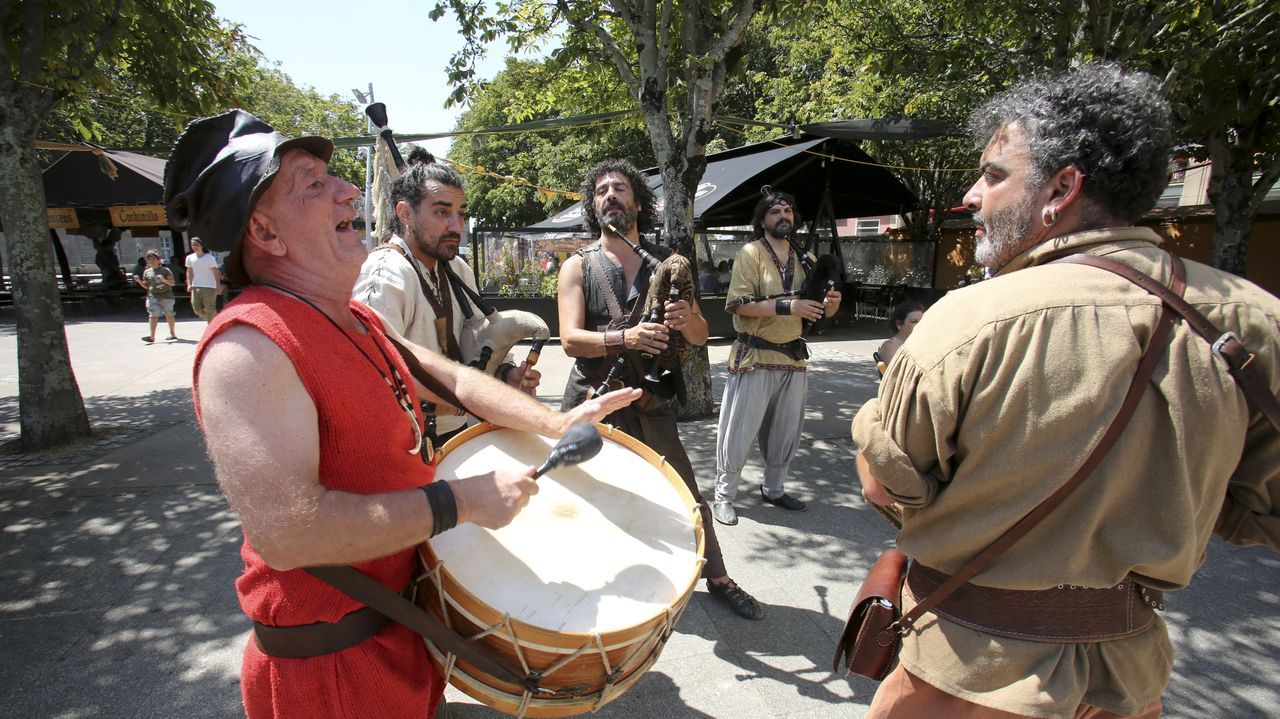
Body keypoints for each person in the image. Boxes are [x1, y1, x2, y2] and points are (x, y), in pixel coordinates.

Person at [163, 109, 639, 719]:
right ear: (265, 231)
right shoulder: (248, 349)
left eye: (334, 177)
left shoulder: (352, 318)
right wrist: (462, 502)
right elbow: (289, 535)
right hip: (330, 673)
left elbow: (454, 378)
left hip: (397, 628)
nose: (347, 190)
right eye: (313, 184)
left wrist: (555, 423)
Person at [851, 63, 1279, 719]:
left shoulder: (968, 321)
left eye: (994, 174)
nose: (971, 193)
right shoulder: (1253, 320)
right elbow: (1260, 511)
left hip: (964, 680)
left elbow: (887, 486)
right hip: (1127, 683)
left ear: (1062, 188)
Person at [557, 158, 764, 621]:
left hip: (649, 401)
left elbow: (699, 334)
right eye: (602, 190)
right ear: (594, 206)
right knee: (583, 494)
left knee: (685, 493)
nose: (610, 194)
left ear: (637, 200)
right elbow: (570, 339)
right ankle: (590, 585)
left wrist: (688, 320)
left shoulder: (665, 265)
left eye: (620, 188)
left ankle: (719, 577)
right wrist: (625, 338)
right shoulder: (577, 266)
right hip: (593, 401)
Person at [354, 147, 539, 448]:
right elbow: (372, 380)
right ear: (405, 214)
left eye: (460, 213)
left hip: (456, 436)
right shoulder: (385, 273)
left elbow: (477, 344)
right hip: (402, 445)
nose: (456, 226)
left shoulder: (456, 268)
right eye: (441, 212)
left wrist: (507, 375)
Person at [710, 189, 841, 525]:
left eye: (788, 210)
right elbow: (738, 304)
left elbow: (817, 312)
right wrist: (788, 305)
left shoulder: (807, 258)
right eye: (775, 212)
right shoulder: (751, 253)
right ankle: (724, 495)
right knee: (739, 430)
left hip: (793, 358)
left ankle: (774, 488)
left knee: (786, 432)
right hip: (754, 354)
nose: (783, 216)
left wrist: (830, 305)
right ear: (762, 219)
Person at [135, 249, 177, 342]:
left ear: (159, 260)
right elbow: (146, 286)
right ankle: (152, 336)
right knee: (153, 315)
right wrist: (139, 281)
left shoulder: (165, 270)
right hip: (152, 296)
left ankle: (172, 333)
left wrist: (164, 280)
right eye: (149, 259)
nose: (151, 261)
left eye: (153, 259)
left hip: (166, 296)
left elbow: (173, 283)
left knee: (169, 315)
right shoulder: (147, 272)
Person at [184, 237, 222, 322]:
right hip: (196, 286)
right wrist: (189, 284)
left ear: (202, 246)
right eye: (193, 245)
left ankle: (211, 326)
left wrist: (218, 286)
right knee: (197, 309)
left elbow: (216, 272)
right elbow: (189, 272)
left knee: (209, 309)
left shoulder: (209, 258)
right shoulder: (189, 258)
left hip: (209, 287)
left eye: (197, 245)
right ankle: (215, 320)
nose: (195, 247)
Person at [875, 301, 924, 367]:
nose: (920, 325)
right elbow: (900, 373)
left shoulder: (920, 343)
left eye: (922, 321)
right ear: (899, 324)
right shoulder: (889, 346)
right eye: (914, 321)